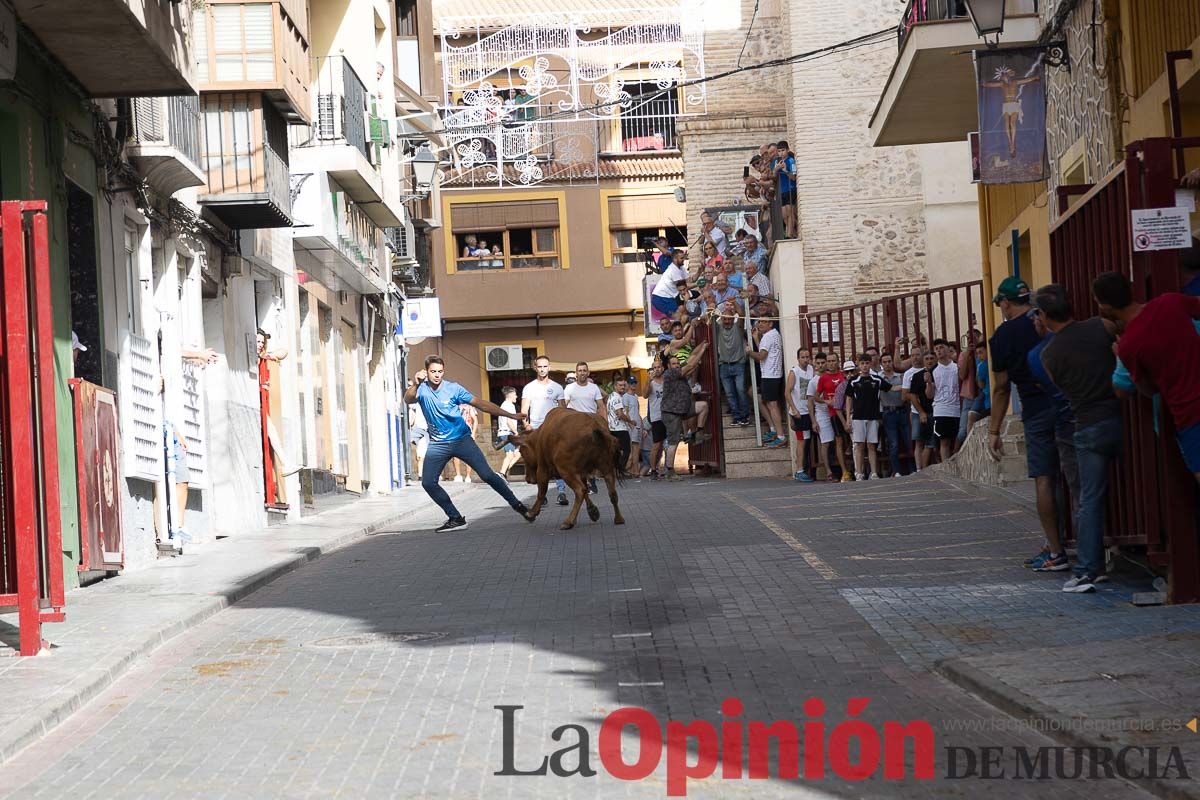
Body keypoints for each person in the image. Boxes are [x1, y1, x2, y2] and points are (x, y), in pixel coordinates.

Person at [1035, 284, 1122, 594]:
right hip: (1121, 414)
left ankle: (1088, 569)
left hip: (1086, 424)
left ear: (1043, 316)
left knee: (1089, 500)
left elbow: (1060, 386)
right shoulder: (1102, 326)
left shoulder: (1049, 354)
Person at [987, 276, 1070, 572]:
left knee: (1044, 477)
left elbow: (1001, 387)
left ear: (1005, 303)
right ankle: (1071, 543)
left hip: (1035, 408)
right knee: (1073, 474)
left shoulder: (1002, 337)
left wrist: (994, 430)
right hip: (1067, 401)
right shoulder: (1045, 320)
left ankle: (1057, 551)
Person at [1094, 271, 1200, 485]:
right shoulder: (1171, 302)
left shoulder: (1129, 346)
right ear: (1130, 289)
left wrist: (1118, 356)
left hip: (1189, 415)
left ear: (1104, 306)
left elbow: (1147, 389)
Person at [404, 356, 530, 532]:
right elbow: (408, 399)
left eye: (440, 371)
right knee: (428, 482)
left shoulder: (453, 388)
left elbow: (482, 405)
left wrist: (511, 415)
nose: (437, 375)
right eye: (433, 372)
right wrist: (416, 384)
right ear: (426, 371)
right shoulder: (422, 389)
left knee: (487, 475)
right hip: (438, 444)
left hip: (462, 440)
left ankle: (517, 505)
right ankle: (455, 518)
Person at [521, 355, 568, 504]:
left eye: (545, 366)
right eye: (539, 366)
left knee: (558, 460)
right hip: (536, 429)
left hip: (554, 429)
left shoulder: (557, 387)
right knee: (540, 463)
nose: (542, 369)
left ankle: (561, 493)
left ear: (549, 367)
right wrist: (527, 426)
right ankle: (542, 496)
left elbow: (563, 409)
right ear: (535, 368)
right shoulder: (529, 388)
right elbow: (524, 411)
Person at [660, 343, 709, 481]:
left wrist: (701, 345)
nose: (676, 365)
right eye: (673, 363)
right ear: (669, 366)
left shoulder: (679, 371)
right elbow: (692, 365)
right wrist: (703, 350)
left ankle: (698, 433)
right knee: (673, 442)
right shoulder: (670, 373)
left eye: (677, 363)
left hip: (683, 409)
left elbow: (691, 356)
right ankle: (669, 471)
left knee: (703, 406)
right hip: (671, 412)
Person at [846, 355, 894, 480]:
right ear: (858, 365)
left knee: (872, 445)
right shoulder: (853, 381)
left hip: (873, 417)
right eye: (862, 363)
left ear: (871, 364)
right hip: (858, 418)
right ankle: (859, 473)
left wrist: (907, 387)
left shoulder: (877, 380)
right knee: (859, 445)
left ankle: (874, 473)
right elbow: (849, 399)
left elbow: (891, 388)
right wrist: (848, 418)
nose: (865, 366)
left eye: (867, 363)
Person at [746, 317, 787, 448]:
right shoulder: (772, 335)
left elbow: (761, 357)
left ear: (771, 323)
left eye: (764, 322)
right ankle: (775, 431)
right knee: (768, 403)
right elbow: (765, 352)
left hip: (771, 375)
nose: (760, 324)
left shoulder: (769, 336)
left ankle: (781, 436)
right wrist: (757, 338)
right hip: (772, 374)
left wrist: (748, 352)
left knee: (773, 405)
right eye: (759, 322)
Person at [812, 357, 852, 481]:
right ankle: (844, 472)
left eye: (834, 360)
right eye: (829, 361)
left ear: (838, 362)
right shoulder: (823, 378)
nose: (831, 363)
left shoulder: (843, 374)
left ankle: (856, 468)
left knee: (852, 439)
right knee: (838, 441)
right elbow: (816, 397)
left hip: (848, 411)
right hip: (834, 413)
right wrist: (827, 401)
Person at [715, 302, 750, 426]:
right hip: (724, 365)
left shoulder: (737, 327)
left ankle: (745, 416)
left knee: (740, 390)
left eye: (729, 319)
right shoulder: (718, 328)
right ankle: (736, 416)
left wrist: (734, 302)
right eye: (724, 319)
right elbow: (710, 316)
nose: (726, 321)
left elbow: (741, 314)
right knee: (729, 394)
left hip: (738, 364)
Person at [928, 338, 962, 464]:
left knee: (959, 438)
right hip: (941, 409)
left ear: (948, 349)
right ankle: (947, 466)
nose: (939, 351)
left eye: (941, 347)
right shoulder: (933, 371)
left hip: (957, 407)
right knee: (944, 441)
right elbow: (930, 395)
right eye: (936, 349)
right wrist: (928, 383)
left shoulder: (957, 366)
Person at [786, 347, 815, 482]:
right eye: (802, 357)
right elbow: (787, 392)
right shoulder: (794, 372)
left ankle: (806, 467)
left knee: (807, 440)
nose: (805, 359)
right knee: (801, 441)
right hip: (799, 413)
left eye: (807, 357)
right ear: (798, 358)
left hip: (808, 411)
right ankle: (799, 470)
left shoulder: (811, 369)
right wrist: (794, 410)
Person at [879, 351, 909, 477]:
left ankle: (912, 468)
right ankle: (896, 471)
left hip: (902, 411)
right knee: (893, 443)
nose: (887, 364)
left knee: (908, 441)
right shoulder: (878, 378)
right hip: (888, 412)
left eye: (889, 361)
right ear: (881, 364)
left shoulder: (900, 376)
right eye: (884, 362)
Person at [908, 352, 938, 469]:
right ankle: (920, 469)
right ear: (923, 361)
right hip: (924, 412)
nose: (929, 361)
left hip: (939, 411)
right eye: (927, 358)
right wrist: (921, 412)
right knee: (921, 441)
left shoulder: (939, 373)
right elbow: (913, 396)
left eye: (931, 358)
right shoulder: (917, 376)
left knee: (936, 443)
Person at [642, 361, 667, 479]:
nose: (657, 369)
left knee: (665, 445)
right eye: (654, 368)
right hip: (656, 417)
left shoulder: (666, 381)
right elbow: (645, 395)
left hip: (668, 415)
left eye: (659, 367)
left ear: (662, 368)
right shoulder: (651, 383)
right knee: (656, 445)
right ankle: (653, 470)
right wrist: (648, 380)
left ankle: (665, 468)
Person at [651, 249, 690, 322]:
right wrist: (698, 284)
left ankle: (678, 330)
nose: (684, 260)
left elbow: (690, 280)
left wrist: (699, 271)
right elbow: (683, 286)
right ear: (675, 259)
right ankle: (677, 331)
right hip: (661, 298)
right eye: (681, 258)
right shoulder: (673, 270)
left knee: (682, 313)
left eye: (683, 257)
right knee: (680, 313)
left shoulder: (681, 267)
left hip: (669, 297)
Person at [607, 378, 636, 470]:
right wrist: (631, 421)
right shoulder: (617, 398)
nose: (622, 387)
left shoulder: (611, 396)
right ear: (615, 386)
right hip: (620, 429)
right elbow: (620, 414)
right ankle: (620, 471)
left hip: (612, 428)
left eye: (624, 385)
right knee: (626, 451)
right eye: (620, 385)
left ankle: (616, 471)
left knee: (616, 452)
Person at [771, 140, 797, 239]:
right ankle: (792, 233)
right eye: (779, 151)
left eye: (783, 150)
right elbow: (773, 178)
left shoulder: (791, 161)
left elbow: (794, 177)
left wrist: (786, 170)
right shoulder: (776, 162)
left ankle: (789, 234)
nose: (781, 153)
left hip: (790, 189)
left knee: (790, 212)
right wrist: (775, 170)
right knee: (784, 215)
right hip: (781, 191)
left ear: (787, 150)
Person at [966, 342, 990, 438]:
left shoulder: (982, 365)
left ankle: (969, 440)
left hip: (987, 398)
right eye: (978, 353)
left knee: (972, 416)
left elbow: (981, 385)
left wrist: (978, 373)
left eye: (981, 352)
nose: (979, 356)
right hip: (989, 398)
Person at [497, 385, 522, 478]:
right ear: (510, 394)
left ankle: (503, 473)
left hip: (508, 433)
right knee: (510, 455)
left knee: (517, 454)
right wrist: (515, 432)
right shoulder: (508, 405)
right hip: (507, 433)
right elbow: (509, 421)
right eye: (515, 394)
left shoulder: (506, 405)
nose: (516, 396)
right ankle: (501, 474)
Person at [452, 403, 478, 482]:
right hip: (455, 432)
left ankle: (468, 476)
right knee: (455, 454)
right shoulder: (454, 406)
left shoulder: (469, 407)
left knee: (469, 454)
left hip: (467, 432)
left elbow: (475, 420)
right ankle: (458, 475)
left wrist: (473, 433)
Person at [624, 383, 643, 474]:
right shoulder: (625, 396)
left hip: (638, 424)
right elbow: (626, 412)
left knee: (636, 449)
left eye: (635, 383)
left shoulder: (635, 396)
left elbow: (637, 411)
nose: (634, 385)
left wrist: (642, 425)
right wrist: (630, 423)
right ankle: (626, 469)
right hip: (631, 425)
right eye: (631, 383)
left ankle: (635, 471)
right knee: (632, 449)